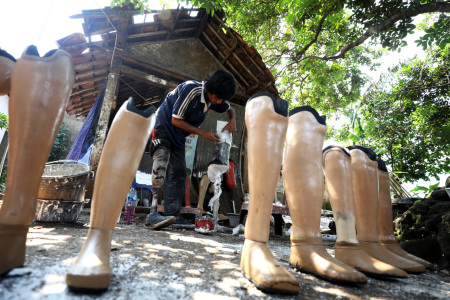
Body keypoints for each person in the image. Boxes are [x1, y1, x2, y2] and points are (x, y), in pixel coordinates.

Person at [145, 69, 237, 230]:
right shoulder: (191, 89)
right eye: (218, 97)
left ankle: (172, 215)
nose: (218, 101)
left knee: (179, 171)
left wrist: (233, 120)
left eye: (221, 98)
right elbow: (175, 120)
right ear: (210, 89)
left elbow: (230, 108)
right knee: (161, 162)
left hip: (179, 137)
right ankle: (152, 213)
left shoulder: (215, 99)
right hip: (163, 128)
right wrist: (202, 133)